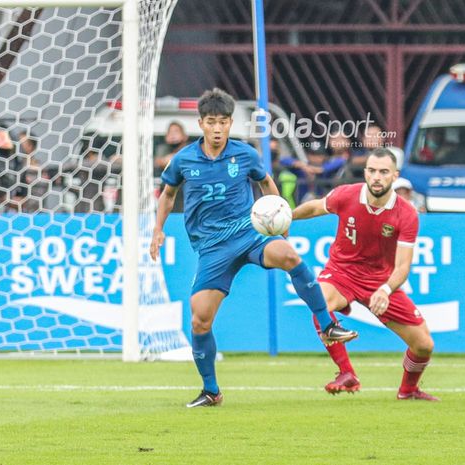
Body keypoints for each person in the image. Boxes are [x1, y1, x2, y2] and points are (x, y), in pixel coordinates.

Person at [149, 88, 357, 408]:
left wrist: (281, 216)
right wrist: (158, 230)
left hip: (249, 233)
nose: (217, 129)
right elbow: (167, 194)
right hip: (211, 247)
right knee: (199, 320)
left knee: (289, 255)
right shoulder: (184, 159)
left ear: (231, 123)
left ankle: (328, 326)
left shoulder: (245, 154)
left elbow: (266, 184)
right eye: (211, 122)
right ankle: (211, 391)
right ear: (201, 123)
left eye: (223, 122)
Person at [292, 147, 438, 401]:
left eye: (383, 172)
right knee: (320, 303)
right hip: (341, 273)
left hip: (379, 282)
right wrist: (286, 218)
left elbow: (403, 266)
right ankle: (347, 373)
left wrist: (386, 289)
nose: (376, 177)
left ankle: (408, 390)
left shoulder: (406, 213)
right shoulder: (347, 195)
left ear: (395, 175)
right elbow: (315, 207)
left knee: (424, 345)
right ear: (366, 172)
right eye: (371, 171)